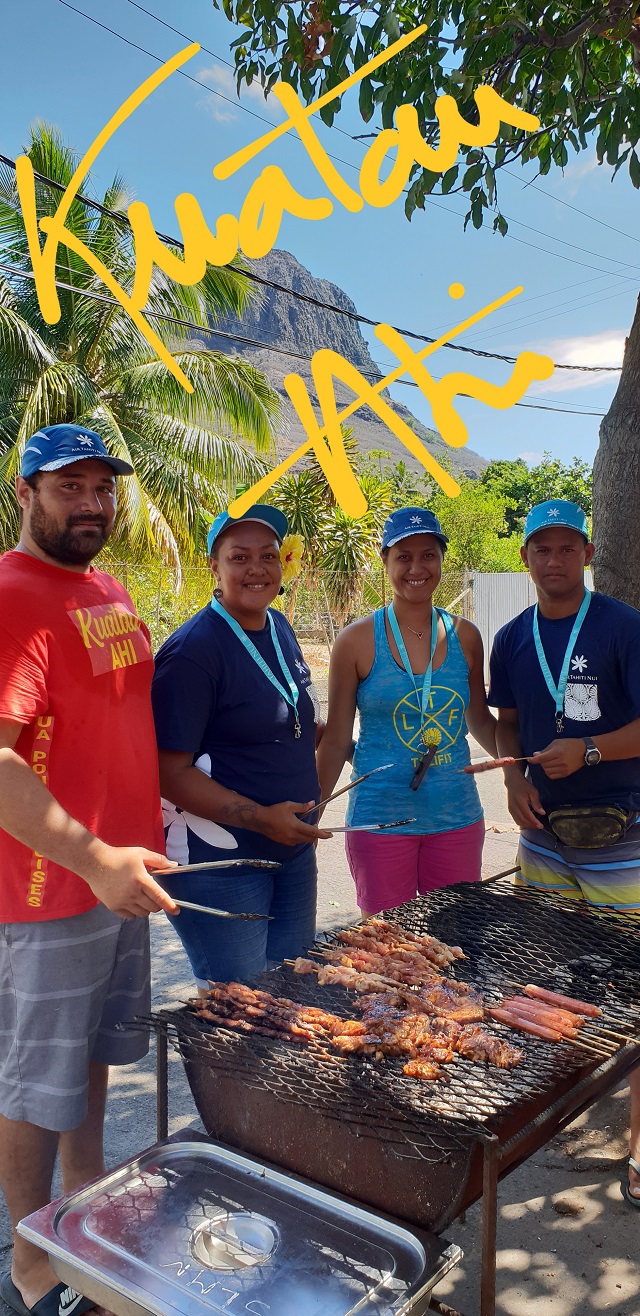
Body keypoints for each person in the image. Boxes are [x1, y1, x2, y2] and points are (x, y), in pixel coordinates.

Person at [0, 424, 178, 1316]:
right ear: (25, 492)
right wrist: (92, 856)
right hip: (46, 888)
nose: (93, 503)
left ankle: (86, 1216)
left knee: (94, 1059)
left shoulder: (107, 589)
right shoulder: (10, 594)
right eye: (71, 487)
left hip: (123, 879)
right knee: (36, 1085)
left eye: (103, 487)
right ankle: (34, 1262)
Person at [488, 497, 640, 1209]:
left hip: (622, 836)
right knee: (552, 977)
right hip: (542, 837)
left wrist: (586, 750)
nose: (553, 559)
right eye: (540, 548)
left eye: (566, 546)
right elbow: (508, 723)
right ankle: (565, 1115)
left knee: (635, 989)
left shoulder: (621, 626)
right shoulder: (513, 636)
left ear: (587, 553)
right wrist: (515, 778)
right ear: (525, 559)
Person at [151, 504, 329, 988]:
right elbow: (169, 773)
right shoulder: (193, 651)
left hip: (290, 852)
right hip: (223, 864)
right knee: (240, 1013)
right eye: (239, 557)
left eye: (268, 556)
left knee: (292, 992)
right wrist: (261, 817)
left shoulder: (279, 628)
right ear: (214, 565)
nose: (257, 569)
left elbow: (291, 720)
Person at [316, 507, 497, 915]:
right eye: (404, 556)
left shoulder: (465, 636)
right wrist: (313, 811)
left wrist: (520, 772)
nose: (417, 567)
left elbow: (480, 720)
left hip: (456, 817)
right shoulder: (356, 641)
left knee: (453, 947)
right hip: (380, 821)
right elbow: (337, 738)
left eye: (428, 555)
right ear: (385, 561)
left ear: (441, 560)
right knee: (389, 954)